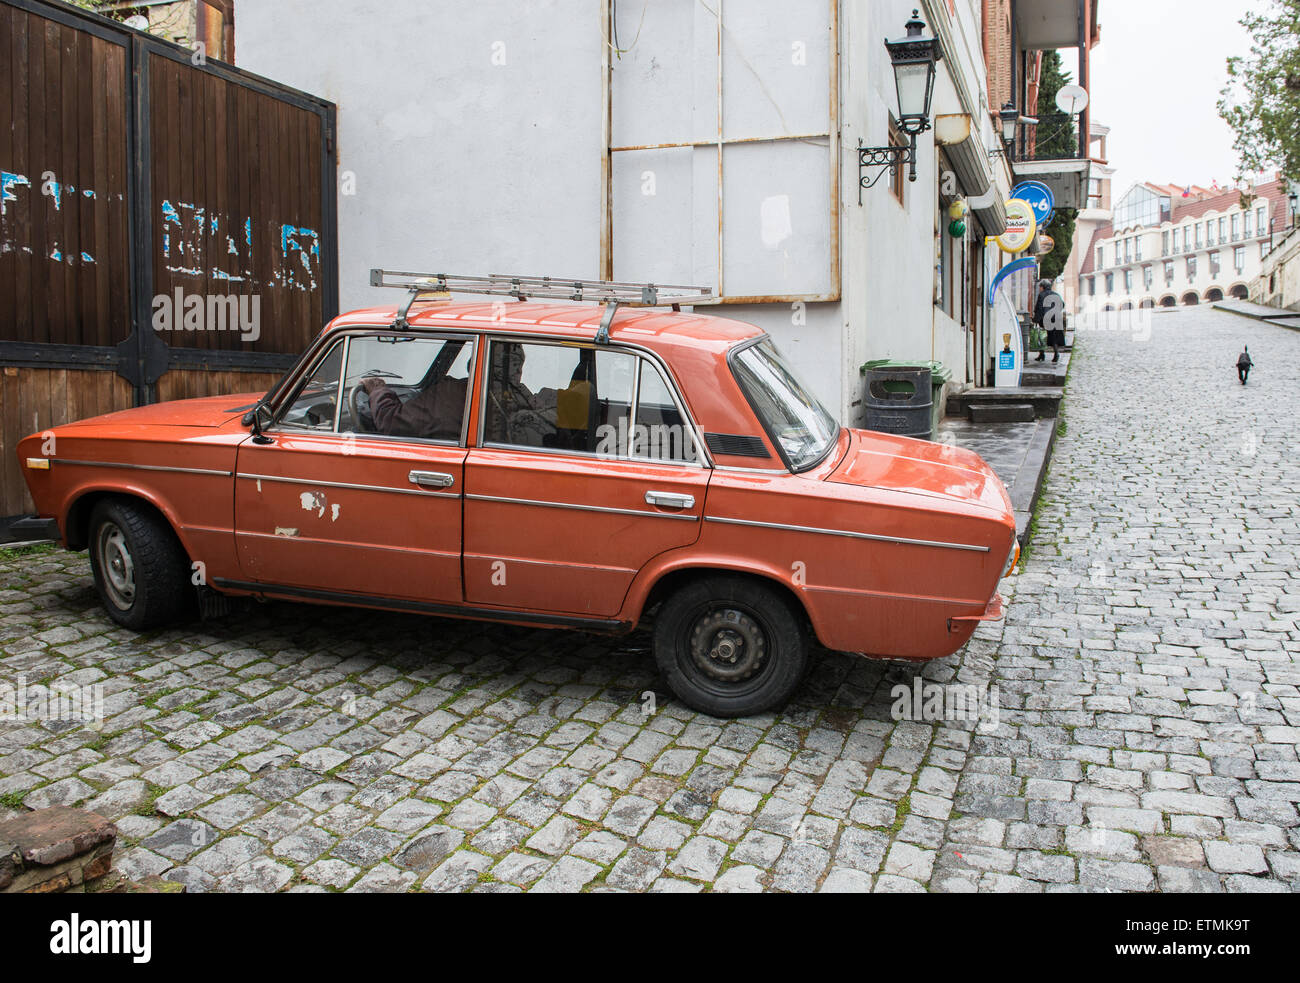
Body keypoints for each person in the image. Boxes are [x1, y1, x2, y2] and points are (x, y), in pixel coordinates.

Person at [1033, 278, 1066, 363]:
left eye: (1040, 286)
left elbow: (1039, 308)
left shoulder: (1041, 295)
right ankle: (1056, 354)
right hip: (1056, 318)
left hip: (1045, 319)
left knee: (1042, 336)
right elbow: (1062, 304)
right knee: (1053, 337)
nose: (1039, 288)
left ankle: (1042, 354)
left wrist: (1036, 319)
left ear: (1042, 287)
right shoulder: (1056, 294)